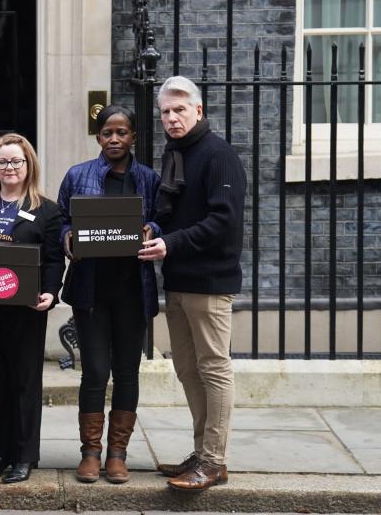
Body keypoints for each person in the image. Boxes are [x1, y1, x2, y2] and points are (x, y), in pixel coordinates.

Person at [138, 76, 245, 492]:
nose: (171, 117)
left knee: (214, 370)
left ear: (198, 111)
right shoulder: (176, 153)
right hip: (179, 280)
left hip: (210, 282)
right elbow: (174, 212)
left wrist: (170, 242)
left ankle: (214, 461)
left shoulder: (219, 155)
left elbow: (223, 221)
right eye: (165, 111)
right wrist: (153, 229)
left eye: (180, 110)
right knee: (187, 369)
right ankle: (202, 453)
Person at [57, 105, 161, 484]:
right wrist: (68, 238)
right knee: (95, 371)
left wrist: (150, 227)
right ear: (98, 137)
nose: (114, 139)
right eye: (107, 133)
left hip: (133, 290)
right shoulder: (78, 175)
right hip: (92, 290)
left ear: (133, 136)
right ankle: (90, 452)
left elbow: (161, 217)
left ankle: (118, 454)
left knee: (127, 373)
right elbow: (64, 221)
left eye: (122, 133)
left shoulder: (148, 178)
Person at [0, 133, 64, 484]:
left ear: (28, 165)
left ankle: (24, 455)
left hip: (25, 308)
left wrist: (51, 293)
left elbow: (54, 259)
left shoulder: (47, 210)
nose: (9, 167)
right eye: (3, 161)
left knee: (24, 382)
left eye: (16, 161)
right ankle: (0, 452)